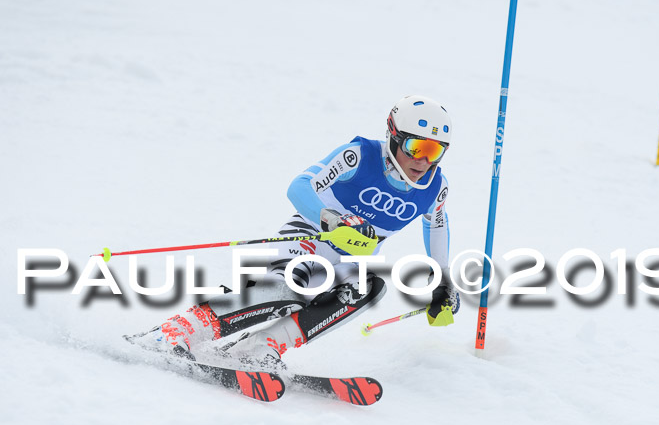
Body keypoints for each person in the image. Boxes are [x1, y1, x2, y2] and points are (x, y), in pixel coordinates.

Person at [128, 95, 460, 370]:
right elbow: (299, 186)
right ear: (394, 136)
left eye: (435, 151)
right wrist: (332, 220)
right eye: (417, 147)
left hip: (348, 259)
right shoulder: (359, 155)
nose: (423, 161)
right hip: (310, 235)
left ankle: (260, 349)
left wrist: (443, 282)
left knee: (369, 290)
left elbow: (437, 223)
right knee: (291, 289)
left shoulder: (435, 187)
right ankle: (176, 331)